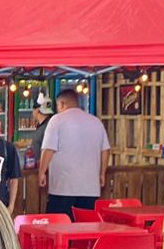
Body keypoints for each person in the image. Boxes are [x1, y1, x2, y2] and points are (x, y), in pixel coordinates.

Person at [38, 88, 111, 217]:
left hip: (63, 187)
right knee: (85, 229)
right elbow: (105, 150)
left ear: (61, 104)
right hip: (90, 188)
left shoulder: (56, 120)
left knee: (60, 227)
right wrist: (102, 174)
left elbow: (49, 149)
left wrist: (42, 172)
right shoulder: (96, 122)